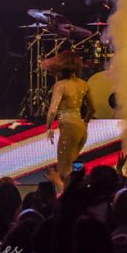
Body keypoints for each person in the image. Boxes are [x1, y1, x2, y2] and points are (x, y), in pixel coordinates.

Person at [43, 50, 95, 181]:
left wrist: (48, 128)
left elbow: (52, 111)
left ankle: (65, 192)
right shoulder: (84, 84)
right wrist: (85, 123)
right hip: (81, 129)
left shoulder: (61, 85)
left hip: (69, 128)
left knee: (64, 170)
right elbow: (92, 109)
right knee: (73, 168)